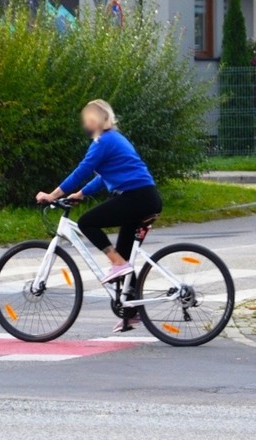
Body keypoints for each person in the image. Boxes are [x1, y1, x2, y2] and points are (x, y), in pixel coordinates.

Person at [36, 100, 162, 331]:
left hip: (136, 198)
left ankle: (117, 264)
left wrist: (53, 195)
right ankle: (131, 312)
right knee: (123, 257)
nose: (86, 123)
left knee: (87, 222)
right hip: (145, 198)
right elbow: (104, 176)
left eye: (89, 118)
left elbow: (82, 170)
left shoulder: (103, 141)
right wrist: (82, 193)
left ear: (97, 120)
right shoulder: (115, 139)